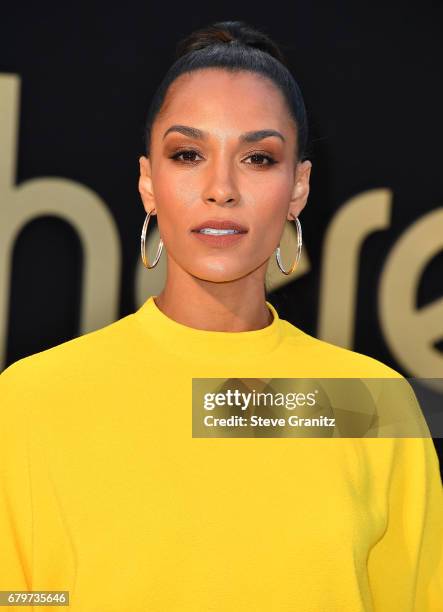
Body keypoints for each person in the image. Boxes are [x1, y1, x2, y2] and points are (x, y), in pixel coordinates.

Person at [0, 19, 442, 612]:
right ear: (148, 181)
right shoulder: (31, 400)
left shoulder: (372, 403)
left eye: (258, 158)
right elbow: (26, 598)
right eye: (188, 154)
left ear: (298, 187)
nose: (221, 188)